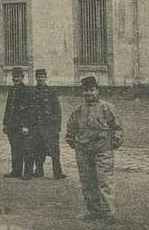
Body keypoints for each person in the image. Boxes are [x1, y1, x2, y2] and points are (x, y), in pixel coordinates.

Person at [66, 76, 123, 222]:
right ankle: (93, 211)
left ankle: (109, 213)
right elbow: (71, 127)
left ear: (97, 90)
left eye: (92, 90)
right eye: (86, 91)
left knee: (105, 181)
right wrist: (72, 139)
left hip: (102, 150)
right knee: (87, 182)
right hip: (83, 151)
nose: (89, 93)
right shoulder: (78, 110)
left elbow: (116, 127)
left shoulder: (107, 108)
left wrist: (114, 141)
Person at [30, 69, 66, 179]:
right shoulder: (32, 92)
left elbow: (57, 110)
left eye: (42, 77)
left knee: (54, 150)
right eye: (38, 77)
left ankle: (57, 172)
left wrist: (57, 126)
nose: (40, 79)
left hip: (50, 127)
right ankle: (39, 170)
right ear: (36, 78)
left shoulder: (52, 92)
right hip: (37, 127)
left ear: (45, 78)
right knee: (37, 149)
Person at [2, 66, 34, 180]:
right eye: (14, 77)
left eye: (18, 77)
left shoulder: (27, 91)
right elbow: (8, 108)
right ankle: (16, 171)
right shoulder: (12, 90)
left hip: (22, 126)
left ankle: (28, 172)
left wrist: (26, 126)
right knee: (15, 148)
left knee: (26, 149)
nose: (16, 79)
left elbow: (29, 110)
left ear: (22, 77)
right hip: (12, 125)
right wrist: (5, 124)